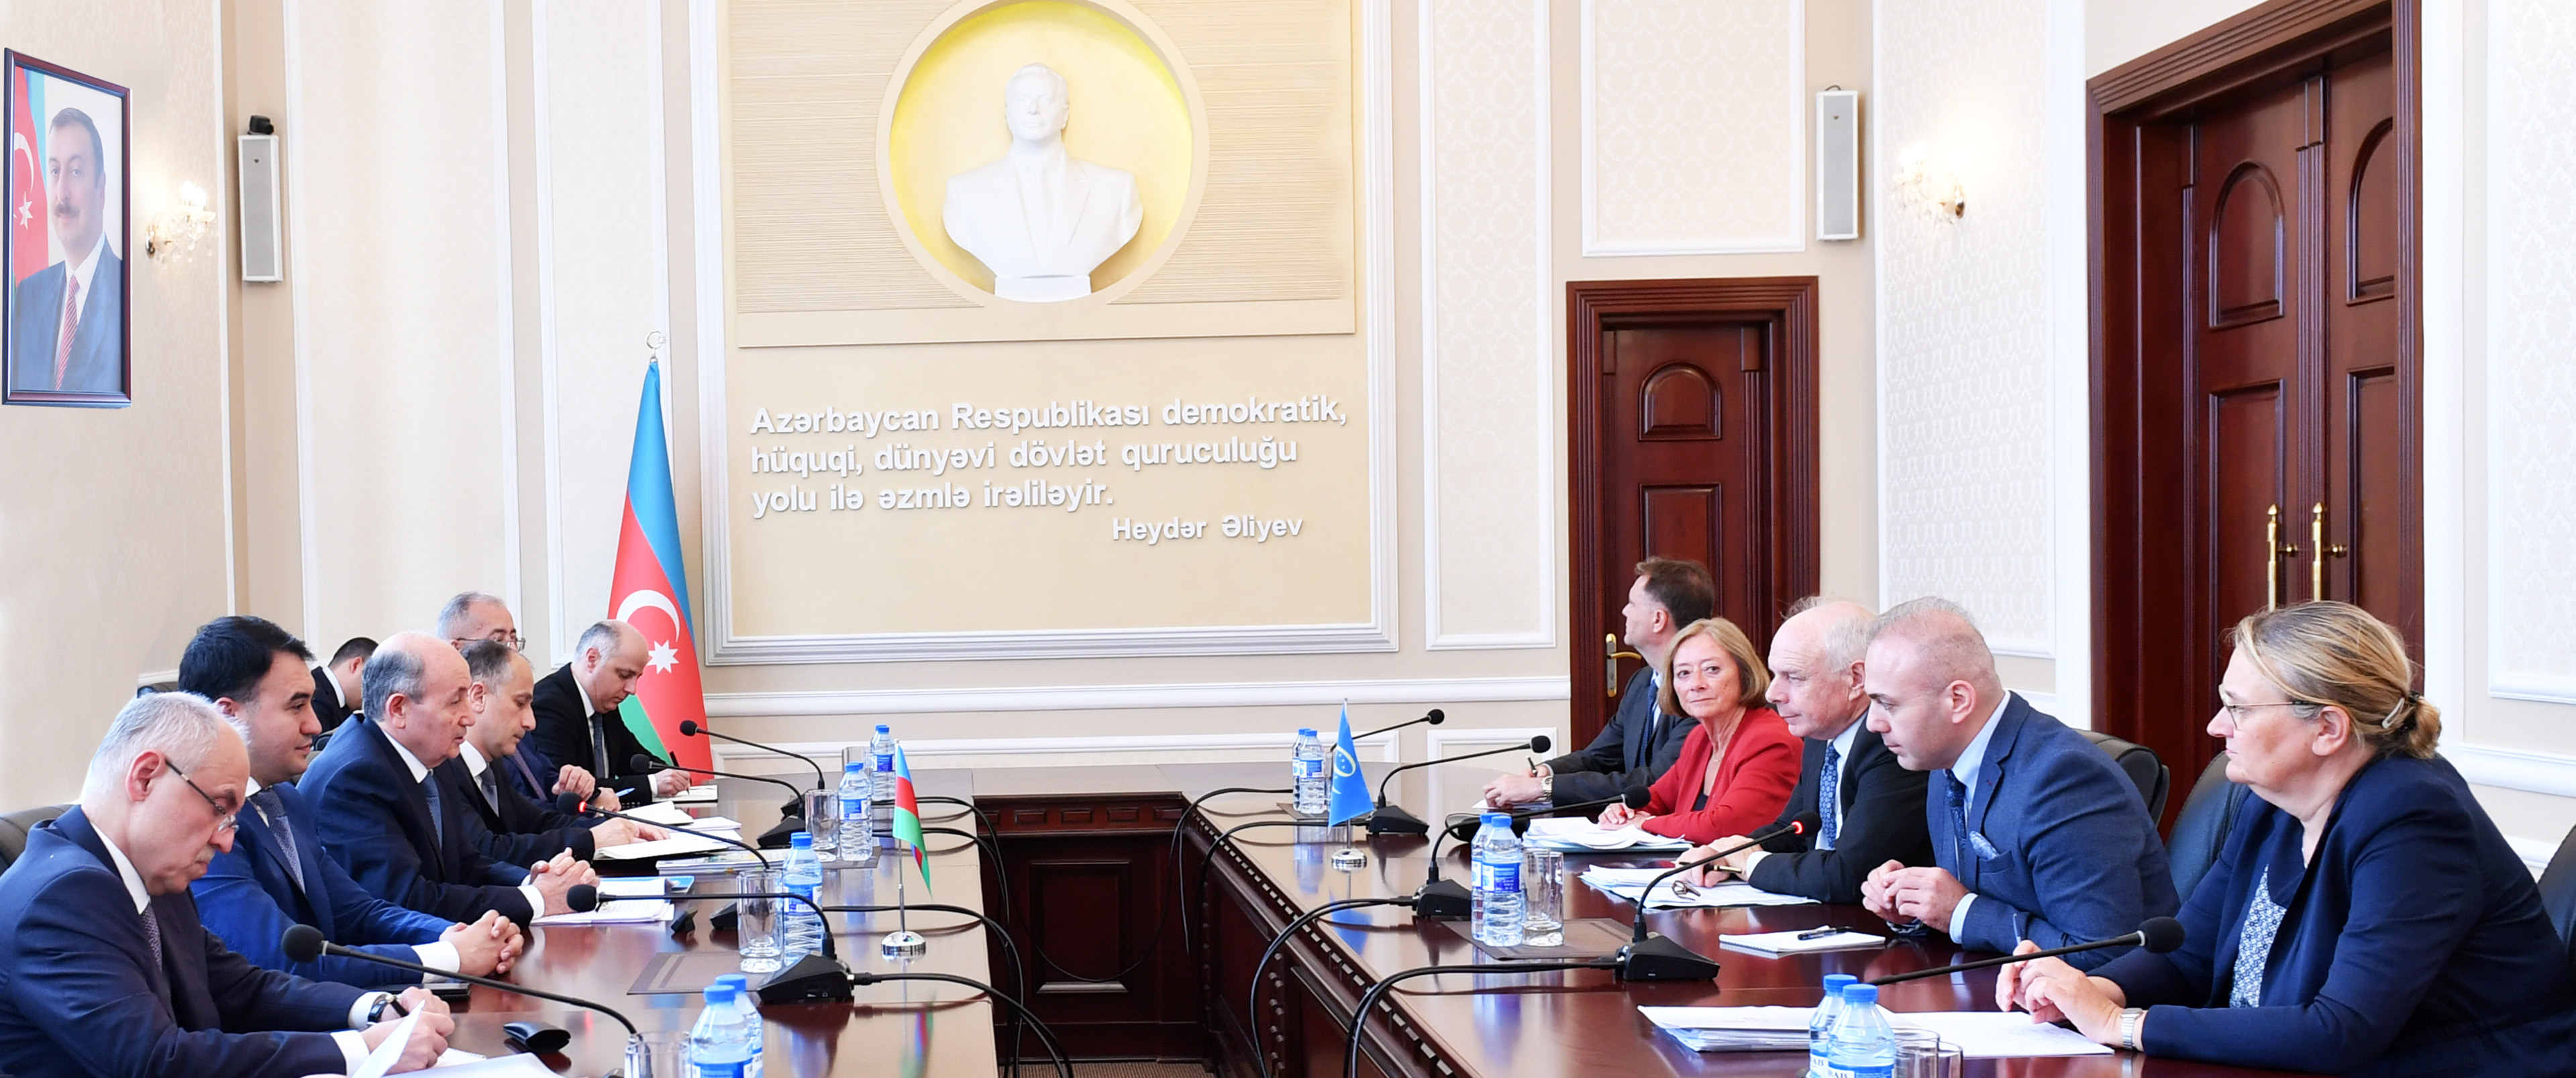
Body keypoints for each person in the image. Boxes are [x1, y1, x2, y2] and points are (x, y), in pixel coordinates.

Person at [1998, 602, 2576, 1075]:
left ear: (2327, 727)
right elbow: (2188, 955)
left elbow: (2341, 1029)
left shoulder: (2413, 819)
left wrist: (2118, 1024)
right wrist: (2085, 989)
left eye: (2238, 709)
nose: (2215, 726)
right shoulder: (2271, 799)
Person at [0, 692, 452, 1077]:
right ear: (145, 777)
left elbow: (242, 988)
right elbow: (155, 1061)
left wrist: (372, 1007)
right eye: (220, 807)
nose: (226, 840)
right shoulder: (62, 896)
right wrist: (364, 1049)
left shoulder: (149, 872)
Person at [181, 616, 523, 988]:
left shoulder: (283, 799)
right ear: (228, 714)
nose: (315, 725)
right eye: (296, 706)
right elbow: (284, 963)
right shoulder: (204, 825)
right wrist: (450, 957)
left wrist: (455, 936)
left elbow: (357, 912)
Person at [1859, 598, 2177, 969]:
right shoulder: (1945, 759)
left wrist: (1961, 912)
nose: (1873, 723)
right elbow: (1967, 905)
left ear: (1958, 701)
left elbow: (2101, 953)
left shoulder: (2065, 779)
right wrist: (1914, 907)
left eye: (1888, 704)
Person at [300, 633, 597, 924]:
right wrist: (538, 899)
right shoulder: (354, 779)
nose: (470, 717)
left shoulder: (431, 755)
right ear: (399, 709)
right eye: (456, 702)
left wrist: (532, 881)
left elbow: (466, 863)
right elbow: (407, 900)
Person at [1681, 598, 1931, 902]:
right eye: (1775, 675)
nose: (1773, 693)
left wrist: (1751, 864)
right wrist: (1728, 851)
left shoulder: (1891, 745)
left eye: (1794, 677)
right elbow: (1792, 831)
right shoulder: (1820, 735)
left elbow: (1851, 874)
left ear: (1856, 679)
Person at [1484, 556, 1712, 808]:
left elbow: (1655, 782)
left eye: (1632, 604)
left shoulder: (1700, 694)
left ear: (1658, 620)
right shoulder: (1642, 682)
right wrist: (1547, 772)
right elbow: (1599, 757)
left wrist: (1543, 789)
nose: (1625, 611)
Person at [439, 639, 663, 867]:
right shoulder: (445, 771)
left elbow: (538, 821)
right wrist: (591, 839)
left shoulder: (491, 765)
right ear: (478, 697)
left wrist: (620, 826)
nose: (531, 722)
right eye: (520, 703)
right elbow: (488, 849)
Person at [941, 63, 1144, 302]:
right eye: (1022, 100)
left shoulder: (1117, 190)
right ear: (1008, 114)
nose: (1033, 109)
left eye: (1046, 99)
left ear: (1065, 114)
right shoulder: (965, 192)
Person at [1594, 617, 1799, 844]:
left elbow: (1722, 827)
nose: (1696, 684)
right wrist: (1625, 811)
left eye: (1712, 670)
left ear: (1744, 673)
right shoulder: (1699, 739)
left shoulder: (1771, 741)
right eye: (1684, 673)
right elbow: (1657, 799)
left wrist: (1643, 823)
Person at [7, 107, 125, 396]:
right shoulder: (29, 295)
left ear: (101, 189)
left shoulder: (128, 291)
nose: (62, 193)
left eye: (75, 172)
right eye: (55, 171)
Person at [528, 620, 694, 802]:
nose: (632, 689)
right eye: (624, 675)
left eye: (637, 678)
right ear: (592, 660)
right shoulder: (549, 705)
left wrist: (672, 776)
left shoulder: (604, 702)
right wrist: (653, 784)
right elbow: (569, 789)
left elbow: (635, 760)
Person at [310, 636, 372, 730]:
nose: (374, 688)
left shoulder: (326, 697)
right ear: (355, 665)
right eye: (373, 677)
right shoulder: (315, 700)